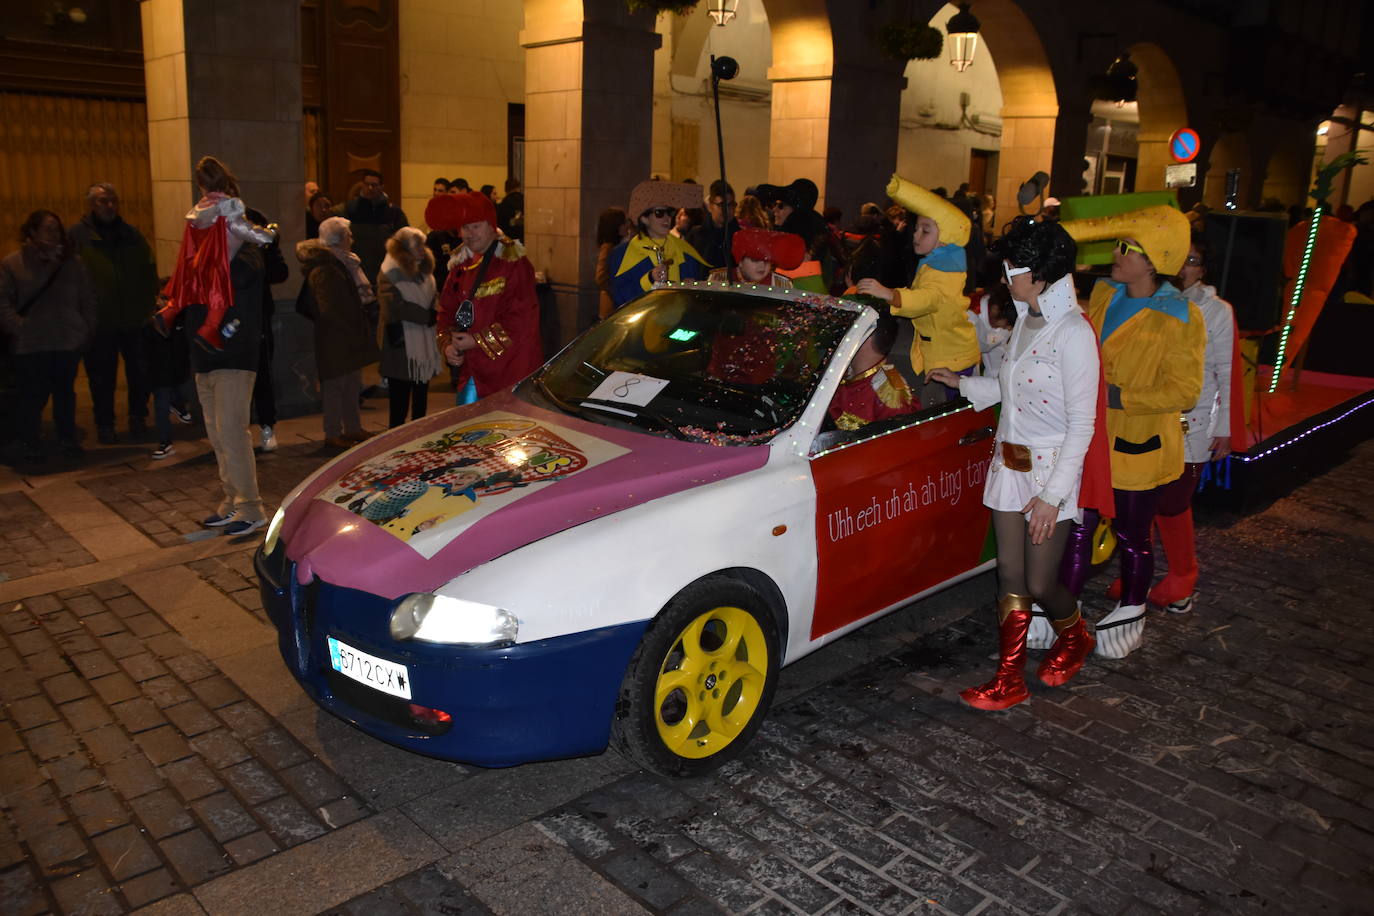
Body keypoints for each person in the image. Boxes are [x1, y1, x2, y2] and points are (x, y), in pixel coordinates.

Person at [929, 216, 1109, 709]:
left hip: (1052, 469)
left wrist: (1052, 497)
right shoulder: (1028, 320)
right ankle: (1008, 678)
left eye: (1013, 266)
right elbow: (1014, 389)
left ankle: (1075, 636)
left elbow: (1082, 424)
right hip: (1010, 461)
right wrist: (963, 383)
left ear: (1040, 272)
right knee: (1008, 572)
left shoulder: (1072, 332)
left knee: (1039, 582)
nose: (1005, 275)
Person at [1056, 204, 1206, 658]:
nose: (1116, 255)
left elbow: (1185, 389)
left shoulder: (1181, 317)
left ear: (1155, 258)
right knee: (1078, 529)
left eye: (1128, 248)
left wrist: (1119, 397)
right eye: (1119, 245)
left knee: (1133, 537)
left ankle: (1131, 612)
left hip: (1138, 446)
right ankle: (1066, 613)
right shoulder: (1104, 295)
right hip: (1091, 440)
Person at [1112, 233, 1243, 612]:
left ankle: (1184, 576)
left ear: (1205, 268)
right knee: (1140, 500)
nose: (1186, 266)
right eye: (1180, 258)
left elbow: (1224, 371)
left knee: (1173, 502)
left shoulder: (1215, 310)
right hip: (1145, 418)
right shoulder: (1142, 298)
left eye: (1194, 260)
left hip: (1193, 420)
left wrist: (1225, 429)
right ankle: (1138, 572)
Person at [856, 175, 980, 405]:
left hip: (951, 357)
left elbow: (928, 298)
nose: (915, 235)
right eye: (917, 228)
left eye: (925, 230)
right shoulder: (936, 262)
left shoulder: (945, 270)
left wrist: (890, 294)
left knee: (952, 409)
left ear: (944, 239)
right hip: (939, 350)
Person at [0, 210, 97, 462]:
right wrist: (18, 326)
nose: (54, 234)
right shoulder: (13, 264)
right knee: (32, 395)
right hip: (31, 343)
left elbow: (87, 298)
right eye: (48, 229)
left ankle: (66, 439)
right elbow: (4, 302)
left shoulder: (72, 263)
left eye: (57, 229)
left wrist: (85, 327)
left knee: (65, 393)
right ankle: (30, 441)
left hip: (65, 340)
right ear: (32, 232)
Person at [154, 156, 276, 352]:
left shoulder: (200, 209)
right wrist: (267, 235)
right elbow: (243, 229)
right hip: (218, 264)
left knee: (189, 289)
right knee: (219, 300)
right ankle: (209, 330)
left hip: (197, 262)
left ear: (200, 185)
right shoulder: (228, 207)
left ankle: (169, 311)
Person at [69, 182, 160, 444]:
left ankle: (137, 417)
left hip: (132, 318)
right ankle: (105, 423)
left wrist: (146, 306)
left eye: (112, 201)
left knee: (139, 373)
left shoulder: (131, 235)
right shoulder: (78, 237)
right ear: (91, 205)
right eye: (102, 201)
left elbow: (147, 271)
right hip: (100, 322)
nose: (109, 206)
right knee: (101, 377)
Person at [429, 191, 543, 398]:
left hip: (510, 371)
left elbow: (522, 319)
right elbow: (445, 312)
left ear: (491, 226)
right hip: (471, 373)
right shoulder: (459, 265)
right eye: (465, 227)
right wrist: (447, 345)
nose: (470, 233)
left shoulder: (513, 262)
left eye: (476, 226)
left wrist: (477, 341)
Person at [189, 242, 268, 536]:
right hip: (205, 358)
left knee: (233, 433)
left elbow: (241, 275)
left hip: (233, 356)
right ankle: (232, 500)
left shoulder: (245, 251)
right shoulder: (200, 250)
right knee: (218, 437)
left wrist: (226, 241)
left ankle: (251, 507)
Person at [296, 217, 380, 448]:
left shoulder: (341, 263)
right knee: (335, 386)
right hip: (335, 338)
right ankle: (332, 432)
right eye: (349, 235)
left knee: (352, 384)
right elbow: (328, 309)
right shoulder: (325, 268)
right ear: (340, 239)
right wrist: (348, 327)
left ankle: (352, 427)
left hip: (348, 335)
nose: (352, 239)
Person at [377, 227, 444, 427]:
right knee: (399, 397)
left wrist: (435, 311)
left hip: (422, 342)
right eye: (418, 245)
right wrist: (428, 316)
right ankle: (396, 437)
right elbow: (394, 307)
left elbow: (434, 296)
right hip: (401, 343)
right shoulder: (390, 271)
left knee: (421, 391)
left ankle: (419, 430)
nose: (423, 249)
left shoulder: (424, 270)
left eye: (423, 245)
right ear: (404, 249)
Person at [609, 180, 711, 308]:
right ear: (644, 218)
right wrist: (649, 280)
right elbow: (620, 298)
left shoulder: (686, 252)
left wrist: (691, 289)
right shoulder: (622, 254)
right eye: (659, 213)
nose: (667, 218)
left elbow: (696, 302)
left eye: (669, 213)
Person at [244, 207, 289, 453]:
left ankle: (267, 426)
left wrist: (265, 250)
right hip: (235, 319)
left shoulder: (265, 248)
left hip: (259, 317)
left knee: (263, 374)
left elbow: (281, 272)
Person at [827, 310, 916, 430]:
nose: (843, 335)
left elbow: (895, 443)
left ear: (866, 338)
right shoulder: (841, 369)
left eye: (850, 331)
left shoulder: (891, 392)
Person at [337, 169, 408, 284]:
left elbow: (403, 240)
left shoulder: (393, 212)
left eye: (374, 185)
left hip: (386, 269)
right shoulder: (350, 209)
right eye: (367, 184)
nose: (370, 188)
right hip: (357, 269)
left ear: (382, 187)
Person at [706, 227, 802, 288]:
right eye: (755, 260)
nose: (762, 265)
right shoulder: (718, 278)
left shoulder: (781, 284)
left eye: (767, 260)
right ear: (740, 261)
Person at [685, 180, 739, 269]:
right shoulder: (695, 235)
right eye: (721, 205)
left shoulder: (739, 236)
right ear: (710, 205)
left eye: (731, 205)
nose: (727, 210)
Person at [594, 207, 629, 320]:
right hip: (611, 307)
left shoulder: (619, 245)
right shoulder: (608, 248)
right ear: (616, 226)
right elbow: (601, 278)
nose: (627, 226)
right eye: (624, 223)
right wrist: (619, 289)